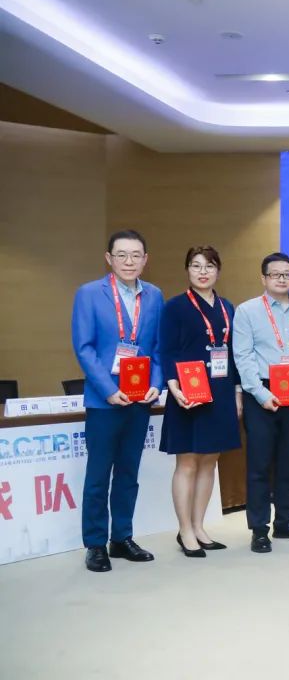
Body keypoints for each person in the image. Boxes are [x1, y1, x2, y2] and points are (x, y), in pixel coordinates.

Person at [71, 229, 164, 572]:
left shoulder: (154, 295)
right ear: (109, 258)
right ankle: (95, 544)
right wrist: (107, 389)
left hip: (139, 401)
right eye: (121, 255)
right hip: (104, 400)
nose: (129, 261)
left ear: (145, 260)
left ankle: (121, 537)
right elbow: (84, 347)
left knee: (128, 473)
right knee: (98, 474)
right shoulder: (89, 293)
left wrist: (156, 384)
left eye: (136, 255)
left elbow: (158, 348)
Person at [233, 252, 289, 553]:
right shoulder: (247, 311)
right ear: (263, 278)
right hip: (262, 392)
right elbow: (243, 356)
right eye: (275, 274)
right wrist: (260, 393)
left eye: (287, 274)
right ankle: (259, 529)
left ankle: (285, 521)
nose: (281, 279)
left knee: (288, 461)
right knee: (259, 463)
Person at [159, 246, 242, 558]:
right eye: (196, 266)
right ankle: (185, 530)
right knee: (188, 462)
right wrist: (173, 386)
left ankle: (199, 526)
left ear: (218, 270)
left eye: (209, 266)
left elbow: (232, 353)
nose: (202, 272)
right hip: (188, 392)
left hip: (220, 391)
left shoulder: (227, 307)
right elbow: (166, 350)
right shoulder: (175, 307)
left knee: (209, 461)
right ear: (187, 270)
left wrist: (237, 392)